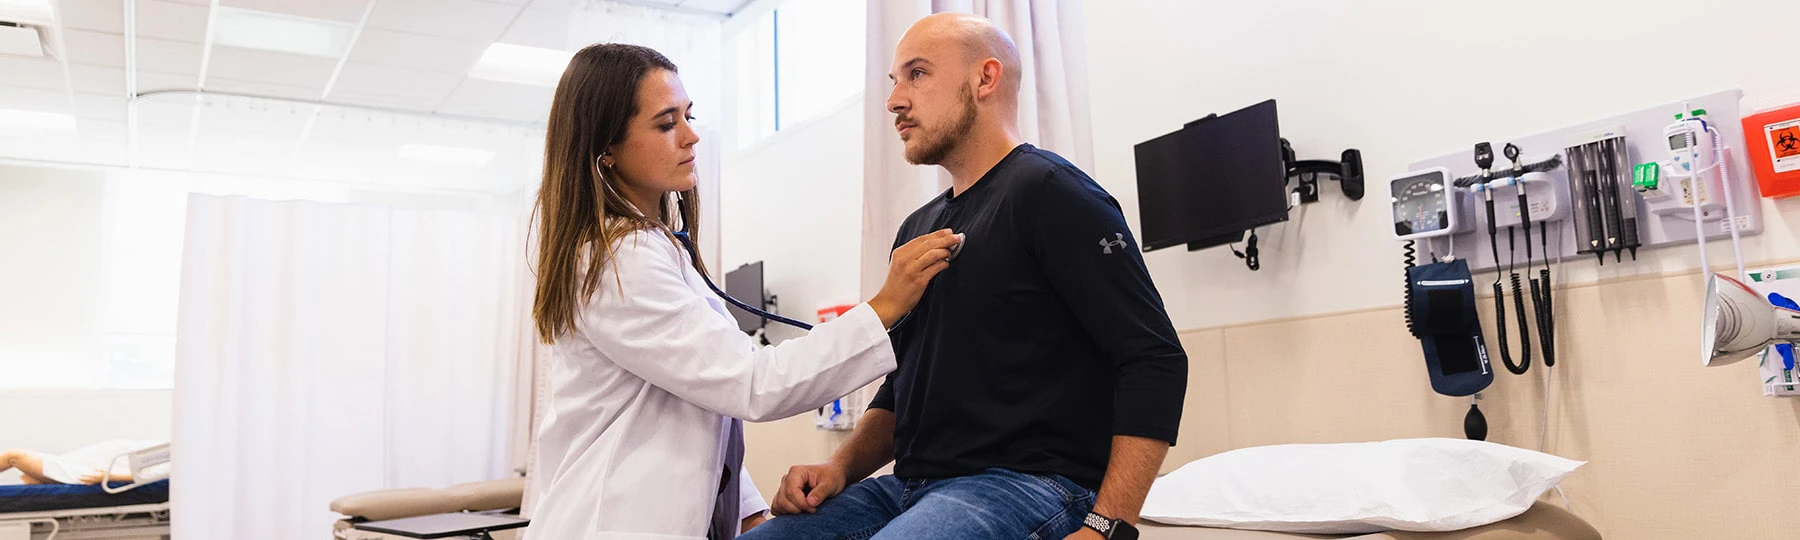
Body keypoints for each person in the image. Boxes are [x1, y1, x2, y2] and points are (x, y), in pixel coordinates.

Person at [739, 13, 1188, 540]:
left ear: (985, 78)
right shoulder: (917, 228)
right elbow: (901, 384)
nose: (894, 100)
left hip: (1028, 485)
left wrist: (1106, 526)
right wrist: (841, 467)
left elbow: (1155, 358)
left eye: (918, 74)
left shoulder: (1051, 193)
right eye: (894, 81)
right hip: (907, 485)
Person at [524, 43, 962, 539]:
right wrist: (883, 307)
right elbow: (751, 383)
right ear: (607, 150)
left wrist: (746, 508)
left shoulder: (651, 248)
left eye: (689, 116)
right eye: (666, 124)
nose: (691, 137)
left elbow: (696, 401)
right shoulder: (617, 258)